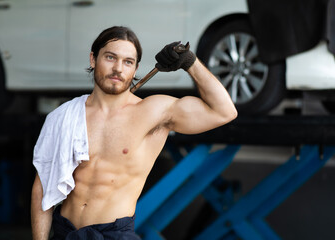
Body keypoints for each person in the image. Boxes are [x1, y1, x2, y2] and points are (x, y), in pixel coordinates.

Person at [31, 26, 237, 240]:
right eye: (110, 57)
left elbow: (224, 112)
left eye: (128, 62)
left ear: (135, 68)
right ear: (93, 59)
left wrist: (190, 63)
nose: (118, 68)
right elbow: (42, 190)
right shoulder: (65, 116)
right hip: (66, 233)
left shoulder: (153, 112)